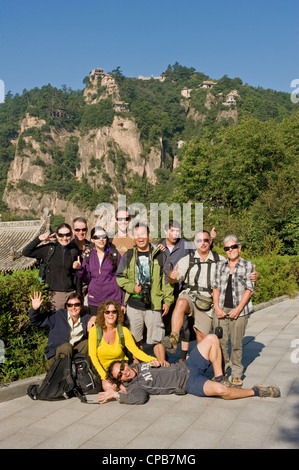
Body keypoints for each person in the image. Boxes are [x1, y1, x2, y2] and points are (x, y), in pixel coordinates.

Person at [97, 333, 280, 404]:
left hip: (187, 365)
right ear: (120, 380)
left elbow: (156, 353)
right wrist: (116, 393)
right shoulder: (133, 388)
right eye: (120, 375)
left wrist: (159, 361)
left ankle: (219, 376)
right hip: (188, 382)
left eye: (122, 367)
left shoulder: (136, 365)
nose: (124, 371)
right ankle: (257, 391)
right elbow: (141, 398)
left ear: (125, 363)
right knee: (222, 391)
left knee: (211, 338)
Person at [116, 223, 174, 364]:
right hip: (134, 304)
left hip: (154, 303)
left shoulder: (159, 255)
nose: (140, 238)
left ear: (148, 235)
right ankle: (138, 366)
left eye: (143, 234)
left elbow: (167, 279)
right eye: (136, 235)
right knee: (135, 338)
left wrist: (167, 300)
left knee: (157, 337)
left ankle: (162, 366)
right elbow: (120, 276)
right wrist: (131, 287)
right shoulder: (129, 255)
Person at [159, 221, 216, 362]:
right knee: (163, 321)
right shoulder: (159, 246)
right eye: (172, 231)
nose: (175, 234)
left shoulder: (185, 244)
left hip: (180, 287)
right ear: (166, 232)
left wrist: (212, 239)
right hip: (164, 288)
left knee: (184, 323)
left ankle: (183, 354)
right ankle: (164, 353)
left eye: (177, 231)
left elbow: (202, 247)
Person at [212, 235, 255, 387]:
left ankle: (236, 373)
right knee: (221, 342)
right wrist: (217, 306)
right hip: (222, 309)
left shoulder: (248, 265)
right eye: (227, 248)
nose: (230, 250)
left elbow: (249, 289)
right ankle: (221, 371)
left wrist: (238, 308)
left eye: (233, 247)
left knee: (236, 343)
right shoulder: (220, 265)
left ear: (239, 247)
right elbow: (215, 287)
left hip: (240, 310)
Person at [88, 300, 159, 388]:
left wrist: (151, 359)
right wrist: (104, 377)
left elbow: (135, 351)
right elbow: (93, 356)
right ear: (103, 314)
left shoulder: (123, 331)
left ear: (118, 314)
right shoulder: (94, 331)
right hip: (104, 371)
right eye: (107, 312)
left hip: (122, 371)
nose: (111, 314)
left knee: (128, 386)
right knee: (109, 387)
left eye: (114, 311)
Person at [22, 223, 81, 310]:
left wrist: (79, 268)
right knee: (57, 321)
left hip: (72, 294)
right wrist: (39, 239)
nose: (64, 238)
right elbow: (26, 252)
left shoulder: (74, 251)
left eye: (67, 235)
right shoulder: (49, 249)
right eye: (61, 235)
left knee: (72, 322)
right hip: (55, 295)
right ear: (56, 235)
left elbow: (78, 277)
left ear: (71, 235)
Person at [29, 291, 91, 368]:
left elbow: (99, 320)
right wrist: (35, 310)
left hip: (72, 354)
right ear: (67, 306)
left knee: (88, 343)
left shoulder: (85, 319)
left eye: (77, 305)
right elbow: (36, 322)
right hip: (55, 358)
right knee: (66, 347)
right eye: (70, 305)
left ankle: (78, 368)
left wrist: (94, 318)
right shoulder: (58, 316)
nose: (73, 308)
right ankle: (65, 374)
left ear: (81, 306)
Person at [76, 226, 124, 316]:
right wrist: (80, 269)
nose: (101, 239)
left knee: (113, 329)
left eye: (103, 236)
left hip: (113, 299)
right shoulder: (88, 256)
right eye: (97, 237)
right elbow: (86, 279)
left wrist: (123, 303)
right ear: (92, 240)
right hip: (94, 301)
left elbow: (123, 278)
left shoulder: (114, 255)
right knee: (96, 329)